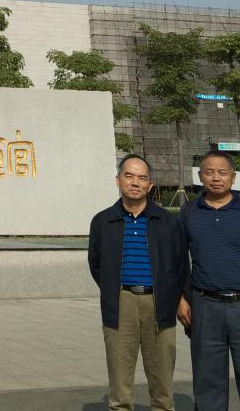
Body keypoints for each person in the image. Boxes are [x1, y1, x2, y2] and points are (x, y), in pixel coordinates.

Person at [177, 150, 240, 411]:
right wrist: (180, 299)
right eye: (209, 172)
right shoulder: (188, 212)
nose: (216, 178)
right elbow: (177, 260)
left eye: (222, 172)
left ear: (233, 178)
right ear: (200, 176)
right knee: (207, 380)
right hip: (205, 306)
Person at [89, 154, 187, 411]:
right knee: (120, 388)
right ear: (118, 180)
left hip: (159, 303)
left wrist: (179, 298)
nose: (135, 182)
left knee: (162, 385)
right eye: (129, 176)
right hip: (121, 303)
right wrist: (115, 291)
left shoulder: (167, 221)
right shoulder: (103, 221)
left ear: (150, 185)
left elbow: (180, 264)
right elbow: (96, 264)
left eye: (142, 178)